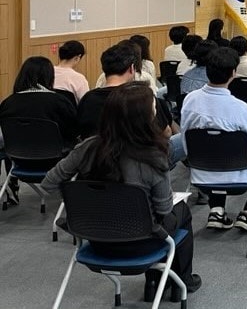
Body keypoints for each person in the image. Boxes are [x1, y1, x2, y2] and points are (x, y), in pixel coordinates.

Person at [41, 82, 201, 300]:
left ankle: (159, 282)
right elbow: (163, 210)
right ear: (145, 118)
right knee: (181, 211)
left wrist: (79, 200)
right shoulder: (154, 155)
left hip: (94, 238)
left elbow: (48, 183)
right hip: (141, 243)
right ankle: (177, 280)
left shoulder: (87, 147)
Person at [180, 47, 247, 230]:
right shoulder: (240, 108)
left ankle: (216, 210)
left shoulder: (190, 101)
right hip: (237, 176)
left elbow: (185, 138)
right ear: (233, 73)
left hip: (200, 173)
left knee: (215, 150)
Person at [0, 56, 80, 205]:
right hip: (56, 161)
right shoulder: (60, 101)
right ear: (50, 76)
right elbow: (74, 131)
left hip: (18, 161)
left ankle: (11, 188)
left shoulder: (8, 103)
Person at [78, 41, 177, 143]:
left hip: (96, 155)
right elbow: (166, 133)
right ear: (132, 68)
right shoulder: (144, 97)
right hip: (141, 155)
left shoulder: (88, 98)